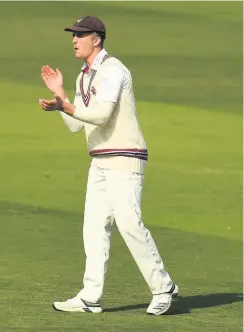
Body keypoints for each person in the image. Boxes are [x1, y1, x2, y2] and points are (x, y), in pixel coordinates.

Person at [39, 16, 178, 315]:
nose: (74, 40)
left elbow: (101, 115)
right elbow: (76, 126)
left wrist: (66, 105)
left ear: (97, 39)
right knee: (93, 227)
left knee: (129, 223)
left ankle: (163, 287)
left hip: (126, 156)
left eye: (80, 35)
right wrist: (61, 96)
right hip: (100, 160)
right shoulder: (83, 75)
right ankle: (90, 296)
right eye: (73, 35)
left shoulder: (113, 70)